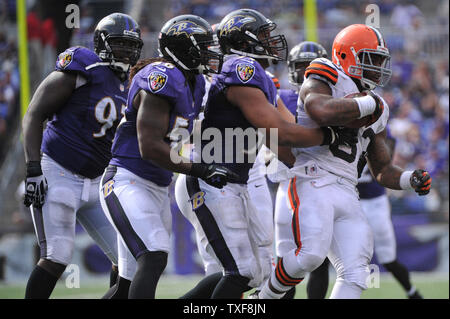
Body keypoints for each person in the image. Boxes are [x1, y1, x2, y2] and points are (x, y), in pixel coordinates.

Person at [175, 8, 358, 299]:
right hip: (211, 177)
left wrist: (323, 166)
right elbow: (281, 133)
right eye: (263, 36)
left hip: (233, 179)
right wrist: (331, 135)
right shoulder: (240, 70)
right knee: (242, 272)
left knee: (256, 273)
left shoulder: (257, 76)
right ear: (244, 42)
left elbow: (287, 132)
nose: (271, 41)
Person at [258, 24, 432, 299]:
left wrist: (410, 179)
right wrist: (367, 105)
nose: (377, 66)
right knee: (309, 256)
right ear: (346, 55)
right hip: (311, 178)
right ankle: (262, 299)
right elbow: (319, 109)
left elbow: (383, 169)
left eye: (379, 59)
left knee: (356, 272)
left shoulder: (378, 105)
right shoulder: (325, 72)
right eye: (370, 58)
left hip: (347, 189)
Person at [98, 14, 239, 299]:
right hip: (128, 180)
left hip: (157, 185)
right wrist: (200, 169)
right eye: (202, 45)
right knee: (153, 256)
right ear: (183, 48)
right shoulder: (162, 78)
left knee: (127, 284)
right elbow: (149, 146)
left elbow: (184, 131)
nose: (209, 51)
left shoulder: (195, 82)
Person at [22, 13, 143, 299]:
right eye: (119, 44)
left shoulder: (130, 84)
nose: (126, 52)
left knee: (129, 261)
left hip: (97, 182)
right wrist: (32, 168)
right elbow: (34, 114)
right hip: (58, 172)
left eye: (130, 46)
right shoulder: (83, 66)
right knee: (56, 254)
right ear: (102, 43)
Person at [306, 130, 424, 299]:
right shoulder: (334, 118)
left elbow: (384, 163)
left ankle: (412, 293)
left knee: (388, 258)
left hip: (374, 201)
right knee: (320, 259)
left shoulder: (375, 124)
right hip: (345, 197)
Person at [269, 41, 329, 300]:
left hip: (320, 181)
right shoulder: (281, 96)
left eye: (311, 68)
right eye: (301, 67)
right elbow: (274, 138)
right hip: (290, 178)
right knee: (292, 256)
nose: (306, 73)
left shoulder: (330, 98)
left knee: (314, 257)